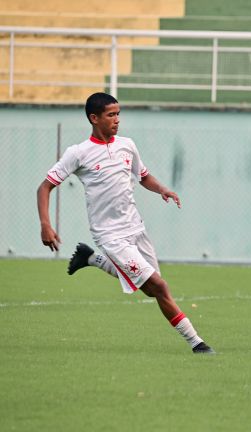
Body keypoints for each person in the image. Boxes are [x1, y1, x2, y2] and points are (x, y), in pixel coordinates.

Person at [37, 92, 215, 354]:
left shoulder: (127, 145)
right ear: (94, 118)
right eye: (111, 115)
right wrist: (45, 224)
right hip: (110, 235)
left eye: (118, 114)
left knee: (151, 290)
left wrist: (162, 189)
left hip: (135, 228)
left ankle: (91, 259)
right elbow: (44, 188)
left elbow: (142, 176)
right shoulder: (78, 153)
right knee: (160, 286)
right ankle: (197, 343)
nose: (117, 119)